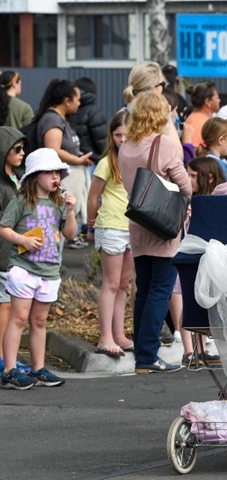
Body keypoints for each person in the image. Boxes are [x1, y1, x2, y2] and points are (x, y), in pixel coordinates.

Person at [119, 91, 191, 374]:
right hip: (163, 223)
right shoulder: (165, 144)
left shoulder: (126, 146)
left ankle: (142, 354)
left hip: (138, 222)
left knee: (145, 289)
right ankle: (148, 355)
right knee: (161, 289)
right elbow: (185, 186)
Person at [0, 148, 77, 389]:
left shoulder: (59, 202)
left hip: (49, 270)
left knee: (40, 321)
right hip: (23, 268)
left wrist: (72, 210)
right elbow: (4, 227)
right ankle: (10, 370)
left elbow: (70, 234)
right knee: (19, 317)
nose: (56, 177)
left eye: (57, 172)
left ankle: (39, 368)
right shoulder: (21, 200)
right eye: (49, 173)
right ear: (35, 176)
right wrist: (22, 240)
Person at [87, 111, 134, 357]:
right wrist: (91, 224)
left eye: (127, 134)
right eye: (118, 135)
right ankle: (105, 336)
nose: (123, 139)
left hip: (131, 227)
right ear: (111, 136)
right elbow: (93, 196)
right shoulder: (107, 163)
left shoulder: (136, 160)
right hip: (111, 226)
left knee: (124, 284)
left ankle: (119, 334)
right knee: (111, 283)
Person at [174, 156, 226, 366]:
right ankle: (189, 350)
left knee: (204, 301)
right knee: (187, 302)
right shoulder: (187, 202)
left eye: (193, 175)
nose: (188, 178)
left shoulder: (216, 200)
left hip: (208, 256)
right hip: (190, 255)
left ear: (209, 177)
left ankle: (201, 347)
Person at [35, 79, 93, 249]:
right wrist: (78, 160)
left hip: (67, 180)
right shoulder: (52, 119)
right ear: (67, 101)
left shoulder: (60, 119)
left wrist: (78, 156)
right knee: (56, 230)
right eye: (77, 99)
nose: (79, 102)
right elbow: (54, 150)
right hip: (61, 182)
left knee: (61, 230)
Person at [0, 127, 31, 375]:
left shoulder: (18, 177)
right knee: (5, 307)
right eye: (16, 149)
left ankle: (7, 358)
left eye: (23, 149)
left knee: (11, 307)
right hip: (3, 253)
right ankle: (2, 360)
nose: (22, 153)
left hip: (16, 253)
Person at [72, 77, 108, 164]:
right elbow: (102, 143)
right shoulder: (94, 112)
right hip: (92, 161)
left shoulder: (68, 109)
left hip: (72, 160)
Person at [184, 82, 221, 147]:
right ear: (208, 102)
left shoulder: (207, 119)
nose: (219, 100)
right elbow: (195, 149)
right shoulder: (195, 121)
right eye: (217, 98)